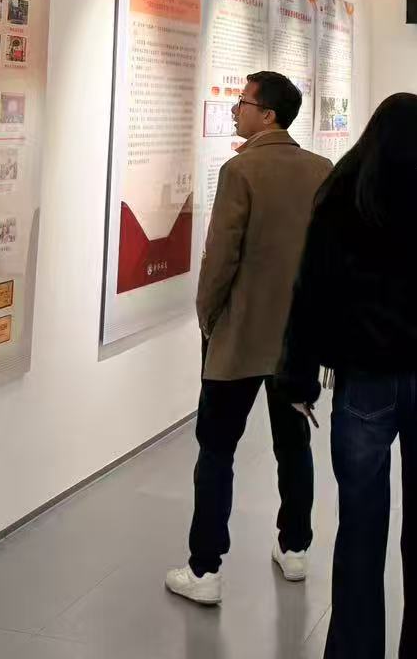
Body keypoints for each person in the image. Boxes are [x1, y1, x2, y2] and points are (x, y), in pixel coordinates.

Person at [279, 93, 417, 659]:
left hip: (365, 381)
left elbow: (311, 292)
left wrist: (299, 378)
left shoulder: (343, 195)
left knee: (360, 529)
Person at [166, 71, 333, 606]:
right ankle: (296, 547)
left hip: (239, 335)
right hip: (296, 340)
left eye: (243, 102)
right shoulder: (321, 170)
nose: (235, 109)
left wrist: (207, 316)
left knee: (216, 451)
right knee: (294, 445)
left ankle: (205, 569)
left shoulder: (239, 170)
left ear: (268, 114)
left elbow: (221, 256)